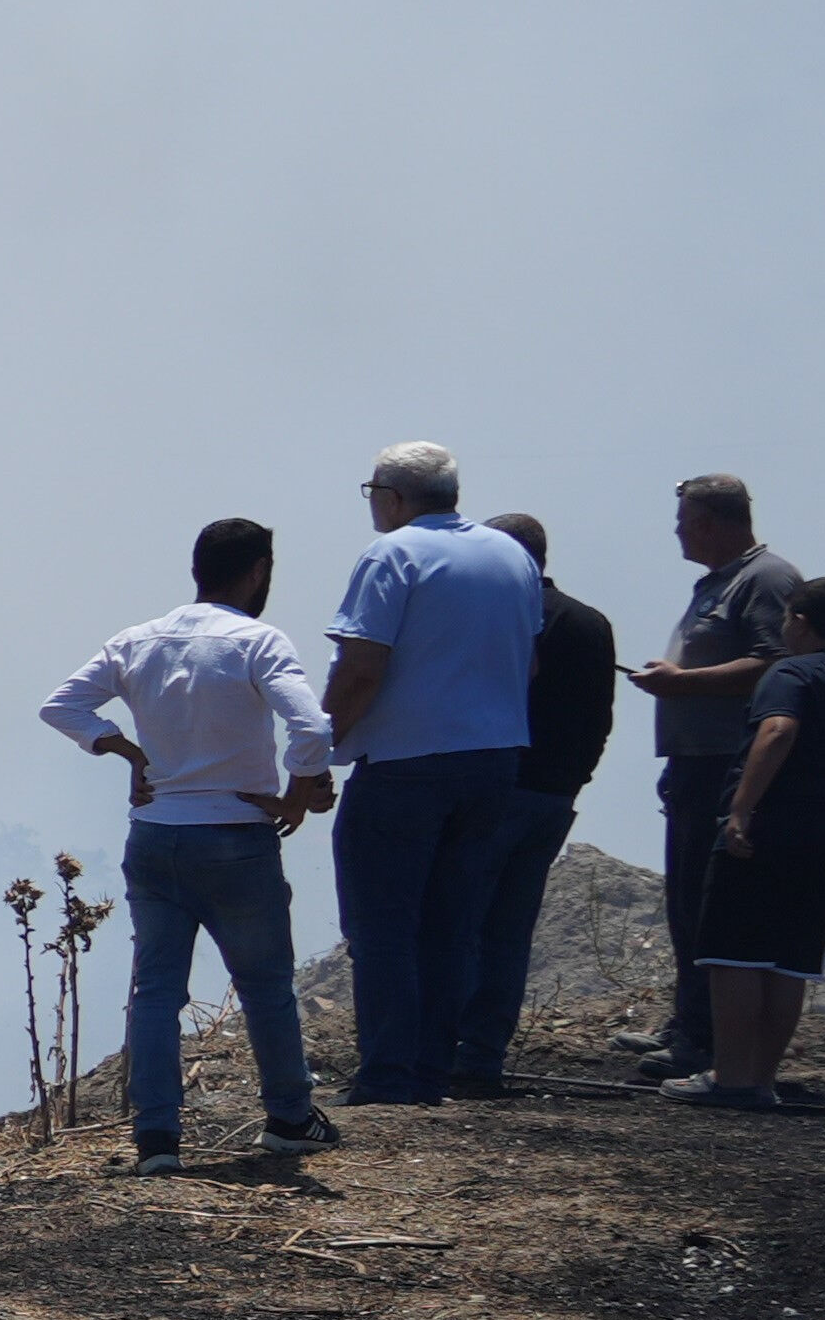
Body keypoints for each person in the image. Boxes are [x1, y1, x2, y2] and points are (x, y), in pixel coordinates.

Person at [39, 515, 341, 1168]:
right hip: (237, 837)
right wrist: (299, 789)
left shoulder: (137, 641)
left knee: (156, 991)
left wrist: (122, 748)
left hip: (155, 838)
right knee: (264, 986)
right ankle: (290, 1117)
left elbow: (61, 706)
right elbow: (312, 726)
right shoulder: (257, 642)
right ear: (259, 570)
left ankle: (155, 1139)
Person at [316, 442, 543, 1107]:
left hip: (405, 764)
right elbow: (528, 664)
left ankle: (386, 1075)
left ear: (390, 496)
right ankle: (430, 1071)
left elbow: (360, 667)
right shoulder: (512, 556)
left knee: (383, 923)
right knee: (452, 923)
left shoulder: (393, 554)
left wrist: (318, 747)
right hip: (494, 760)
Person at [680, 577, 825, 1111]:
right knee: (790, 964)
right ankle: (762, 1081)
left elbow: (778, 731)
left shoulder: (791, 672)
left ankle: (731, 1077)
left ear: (801, 622)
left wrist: (741, 810)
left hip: (773, 831)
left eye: (788, 619)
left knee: (735, 955)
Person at [617, 474, 804, 1076]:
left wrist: (681, 683)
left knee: (708, 900)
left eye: (685, 519)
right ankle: (689, 1023)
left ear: (716, 522)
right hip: (695, 763)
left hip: (727, 765)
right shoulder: (722, 582)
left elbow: (775, 662)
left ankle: (703, 1041)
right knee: (686, 898)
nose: (676, 531)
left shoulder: (766, 578)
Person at [449, 510, 620, 1098]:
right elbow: (601, 713)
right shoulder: (591, 622)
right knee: (509, 930)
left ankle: (443, 1047)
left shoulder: (510, 616)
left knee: (462, 920)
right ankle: (482, 1054)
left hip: (501, 786)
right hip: (555, 792)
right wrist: (577, 777)